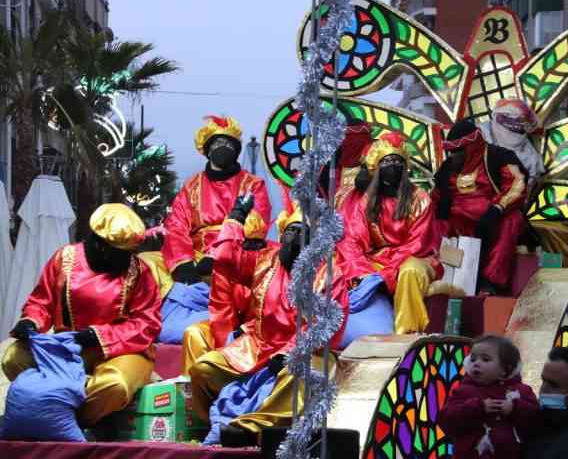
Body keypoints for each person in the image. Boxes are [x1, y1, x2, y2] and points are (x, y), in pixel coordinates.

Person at [184, 196, 349, 437]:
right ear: (281, 236)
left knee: (302, 375)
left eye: (304, 232)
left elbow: (328, 324)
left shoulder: (328, 273)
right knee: (204, 369)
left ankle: (249, 429)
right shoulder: (265, 260)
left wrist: (288, 353)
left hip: (305, 353)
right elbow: (226, 261)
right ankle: (212, 426)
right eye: (291, 231)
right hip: (257, 348)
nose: (296, 237)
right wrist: (235, 219)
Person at [2, 203, 162, 428]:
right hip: (68, 350)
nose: (128, 260)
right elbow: (41, 301)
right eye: (122, 254)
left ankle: (68, 422)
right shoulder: (64, 259)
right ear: (100, 244)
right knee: (14, 357)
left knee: (114, 386)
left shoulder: (140, 272)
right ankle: (65, 414)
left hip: (122, 352)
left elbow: (147, 324)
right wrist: (30, 321)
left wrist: (99, 336)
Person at [338, 131, 442, 334]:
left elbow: (418, 244)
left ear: (405, 167)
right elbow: (353, 240)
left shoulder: (420, 198)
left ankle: (407, 334)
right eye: (387, 162)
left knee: (410, 271)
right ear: (376, 169)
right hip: (377, 260)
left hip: (416, 259)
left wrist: (387, 271)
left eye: (397, 161)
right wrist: (363, 272)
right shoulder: (366, 201)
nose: (392, 166)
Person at [162, 115, 271, 285]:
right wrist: (182, 263)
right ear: (208, 150)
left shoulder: (253, 184)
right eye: (218, 143)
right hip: (195, 256)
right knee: (150, 265)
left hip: (237, 254)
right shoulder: (192, 186)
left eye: (229, 145)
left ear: (236, 151)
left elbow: (255, 226)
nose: (223, 148)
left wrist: (217, 254)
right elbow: (176, 226)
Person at [431, 119, 528, 294]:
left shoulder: (499, 157)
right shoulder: (447, 169)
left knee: (512, 220)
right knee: (437, 227)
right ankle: (449, 281)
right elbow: (435, 200)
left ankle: (490, 282)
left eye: (457, 151)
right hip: (457, 223)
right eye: (451, 152)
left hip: (492, 219)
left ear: (471, 147)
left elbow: (517, 184)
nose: (453, 156)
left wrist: (497, 209)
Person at [438, 335, 538, 459]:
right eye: (473, 359)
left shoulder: (522, 391)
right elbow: (446, 420)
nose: (476, 364)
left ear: (505, 369)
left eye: (485, 359)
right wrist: (478, 407)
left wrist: (515, 408)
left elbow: (536, 420)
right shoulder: (464, 391)